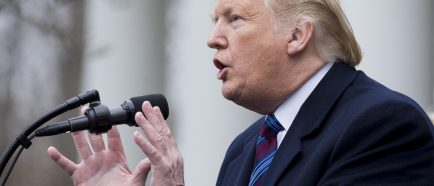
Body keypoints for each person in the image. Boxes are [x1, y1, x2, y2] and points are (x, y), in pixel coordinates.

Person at [47, 0, 434, 185]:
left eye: (235, 19)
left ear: (297, 35)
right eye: (214, 20)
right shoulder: (244, 149)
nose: (213, 39)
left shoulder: (381, 125)